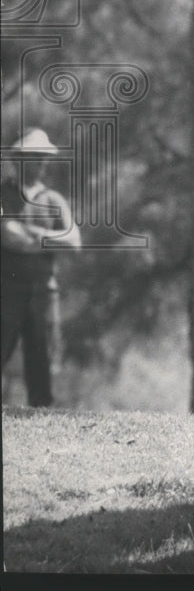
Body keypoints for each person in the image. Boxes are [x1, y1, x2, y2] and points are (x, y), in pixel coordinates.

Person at [1, 128, 81, 407]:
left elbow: (74, 241)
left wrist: (34, 234)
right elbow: (10, 238)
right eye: (35, 155)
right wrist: (49, 239)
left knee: (42, 365)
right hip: (6, 293)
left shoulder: (53, 200)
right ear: (17, 159)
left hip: (44, 295)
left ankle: (42, 419)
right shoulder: (3, 195)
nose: (42, 162)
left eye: (44, 157)